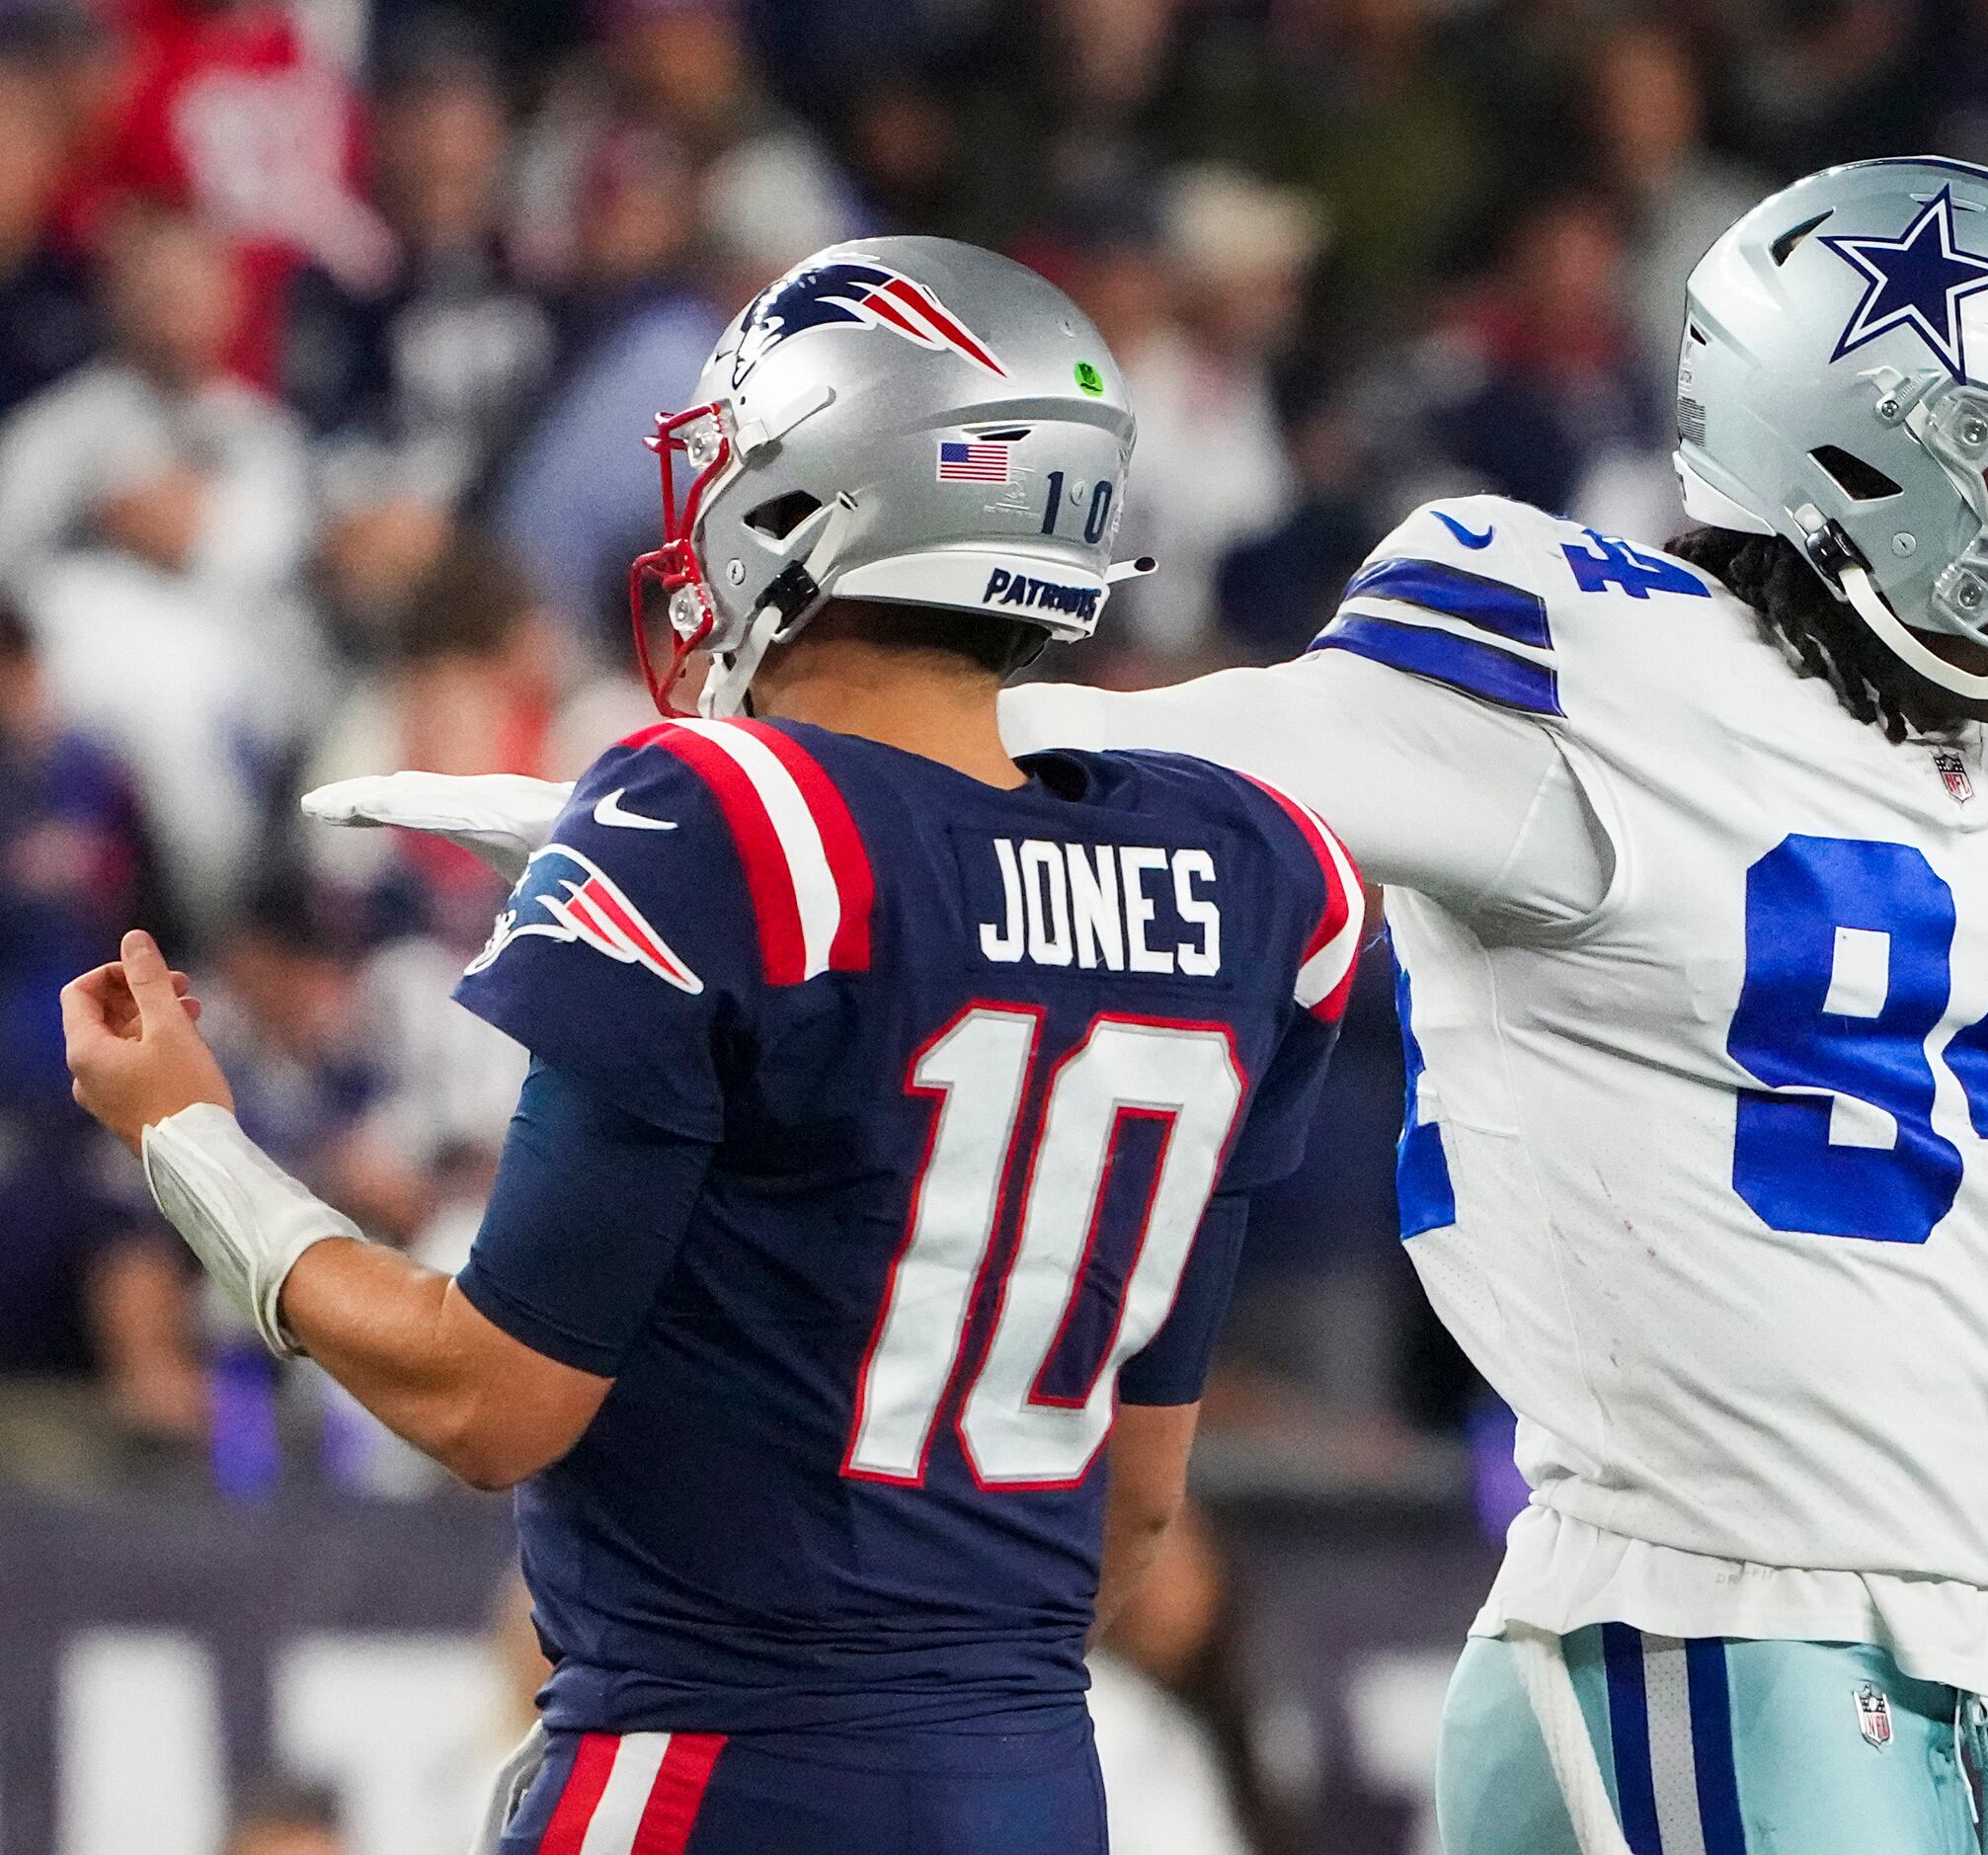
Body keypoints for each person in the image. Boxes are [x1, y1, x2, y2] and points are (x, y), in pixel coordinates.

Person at [305, 165, 1988, 1855]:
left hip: (1743, 1606)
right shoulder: (1578, 685)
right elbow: (1194, 746)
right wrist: (668, 805)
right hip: (1736, 1618)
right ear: (1848, 472)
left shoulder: (1971, 787)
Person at [64, 236, 1360, 1855]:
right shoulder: (1256, 877)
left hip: (708, 1770)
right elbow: (1135, 1506)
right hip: (1030, 1778)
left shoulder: (715, 826)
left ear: (817, 494)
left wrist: (187, 1140)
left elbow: (489, 1403)